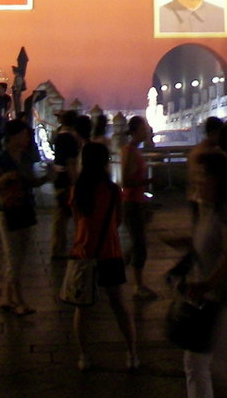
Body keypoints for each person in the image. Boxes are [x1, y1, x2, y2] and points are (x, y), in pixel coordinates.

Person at [181, 152, 227, 398]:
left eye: (202, 176)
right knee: (198, 363)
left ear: (218, 179)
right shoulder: (209, 208)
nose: (197, 181)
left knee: (220, 373)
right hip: (210, 299)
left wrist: (207, 283)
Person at [69, 142, 138, 371]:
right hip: (109, 251)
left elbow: (76, 218)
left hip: (84, 252)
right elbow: (117, 220)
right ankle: (132, 353)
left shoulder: (78, 189)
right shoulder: (112, 190)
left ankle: (83, 356)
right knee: (119, 305)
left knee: (83, 307)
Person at [0, 119, 48, 315]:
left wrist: (47, 178)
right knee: (13, 256)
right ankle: (19, 301)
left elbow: (29, 183)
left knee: (18, 256)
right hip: (7, 209)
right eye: (24, 135)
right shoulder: (3, 159)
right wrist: (6, 178)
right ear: (14, 136)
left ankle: (6, 297)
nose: (27, 138)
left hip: (25, 206)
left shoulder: (25, 157)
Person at [120, 115, 157, 299]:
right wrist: (146, 181)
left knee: (137, 243)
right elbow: (125, 180)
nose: (147, 131)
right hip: (131, 203)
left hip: (137, 202)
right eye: (144, 128)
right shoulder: (129, 151)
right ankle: (137, 286)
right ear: (135, 131)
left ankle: (117, 272)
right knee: (139, 244)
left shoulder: (135, 150)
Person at [49, 111, 84, 259]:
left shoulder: (59, 136)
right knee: (71, 216)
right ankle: (72, 247)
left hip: (59, 179)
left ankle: (58, 248)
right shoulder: (69, 138)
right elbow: (70, 162)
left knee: (60, 218)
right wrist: (75, 183)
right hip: (66, 180)